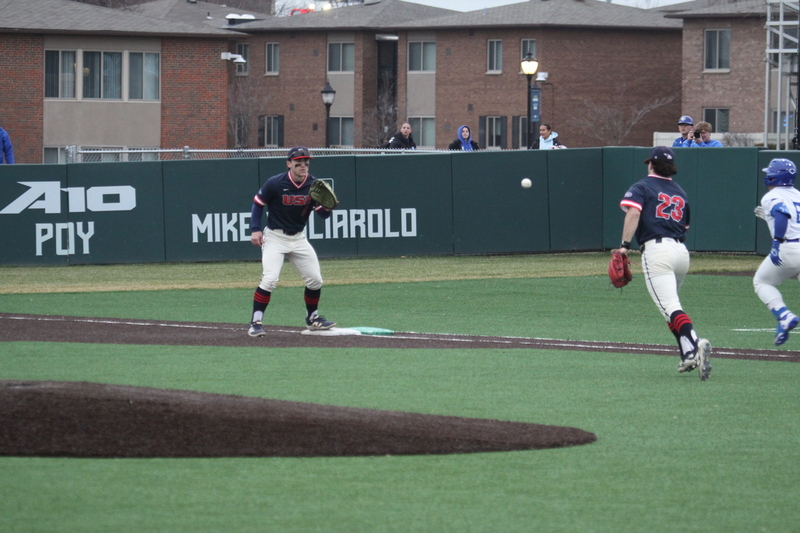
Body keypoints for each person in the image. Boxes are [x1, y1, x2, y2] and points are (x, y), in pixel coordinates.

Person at [615, 146, 712, 380]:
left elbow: (633, 213)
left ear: (651, 164)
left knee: (670, 306)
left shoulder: (642, 186)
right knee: (671, 308)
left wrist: (624, 245)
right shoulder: (680, 191)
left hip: (657, 251)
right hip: (681, 252)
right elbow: (685, 226)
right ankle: (687, 353)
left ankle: (696, 342)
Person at [247, 146, 336, 337]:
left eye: (306, 163)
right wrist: (255, 229)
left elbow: (322, 215)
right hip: (275, 237)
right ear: (289, 164)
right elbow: (258, 204)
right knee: (270, 279)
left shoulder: (314, 186)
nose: (303, 166)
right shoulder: (275, 183)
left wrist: (327, 209)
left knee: (315, 280)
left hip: (298, 238)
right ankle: (255, 322)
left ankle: (312, 318)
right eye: (298, 163)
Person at [753, 158, 800, 346]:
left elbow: (781, 214)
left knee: (761, 282)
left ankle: (784, 316)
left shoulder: (770, 197)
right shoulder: (797, 194)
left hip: (788, 248)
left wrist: (776, 243)